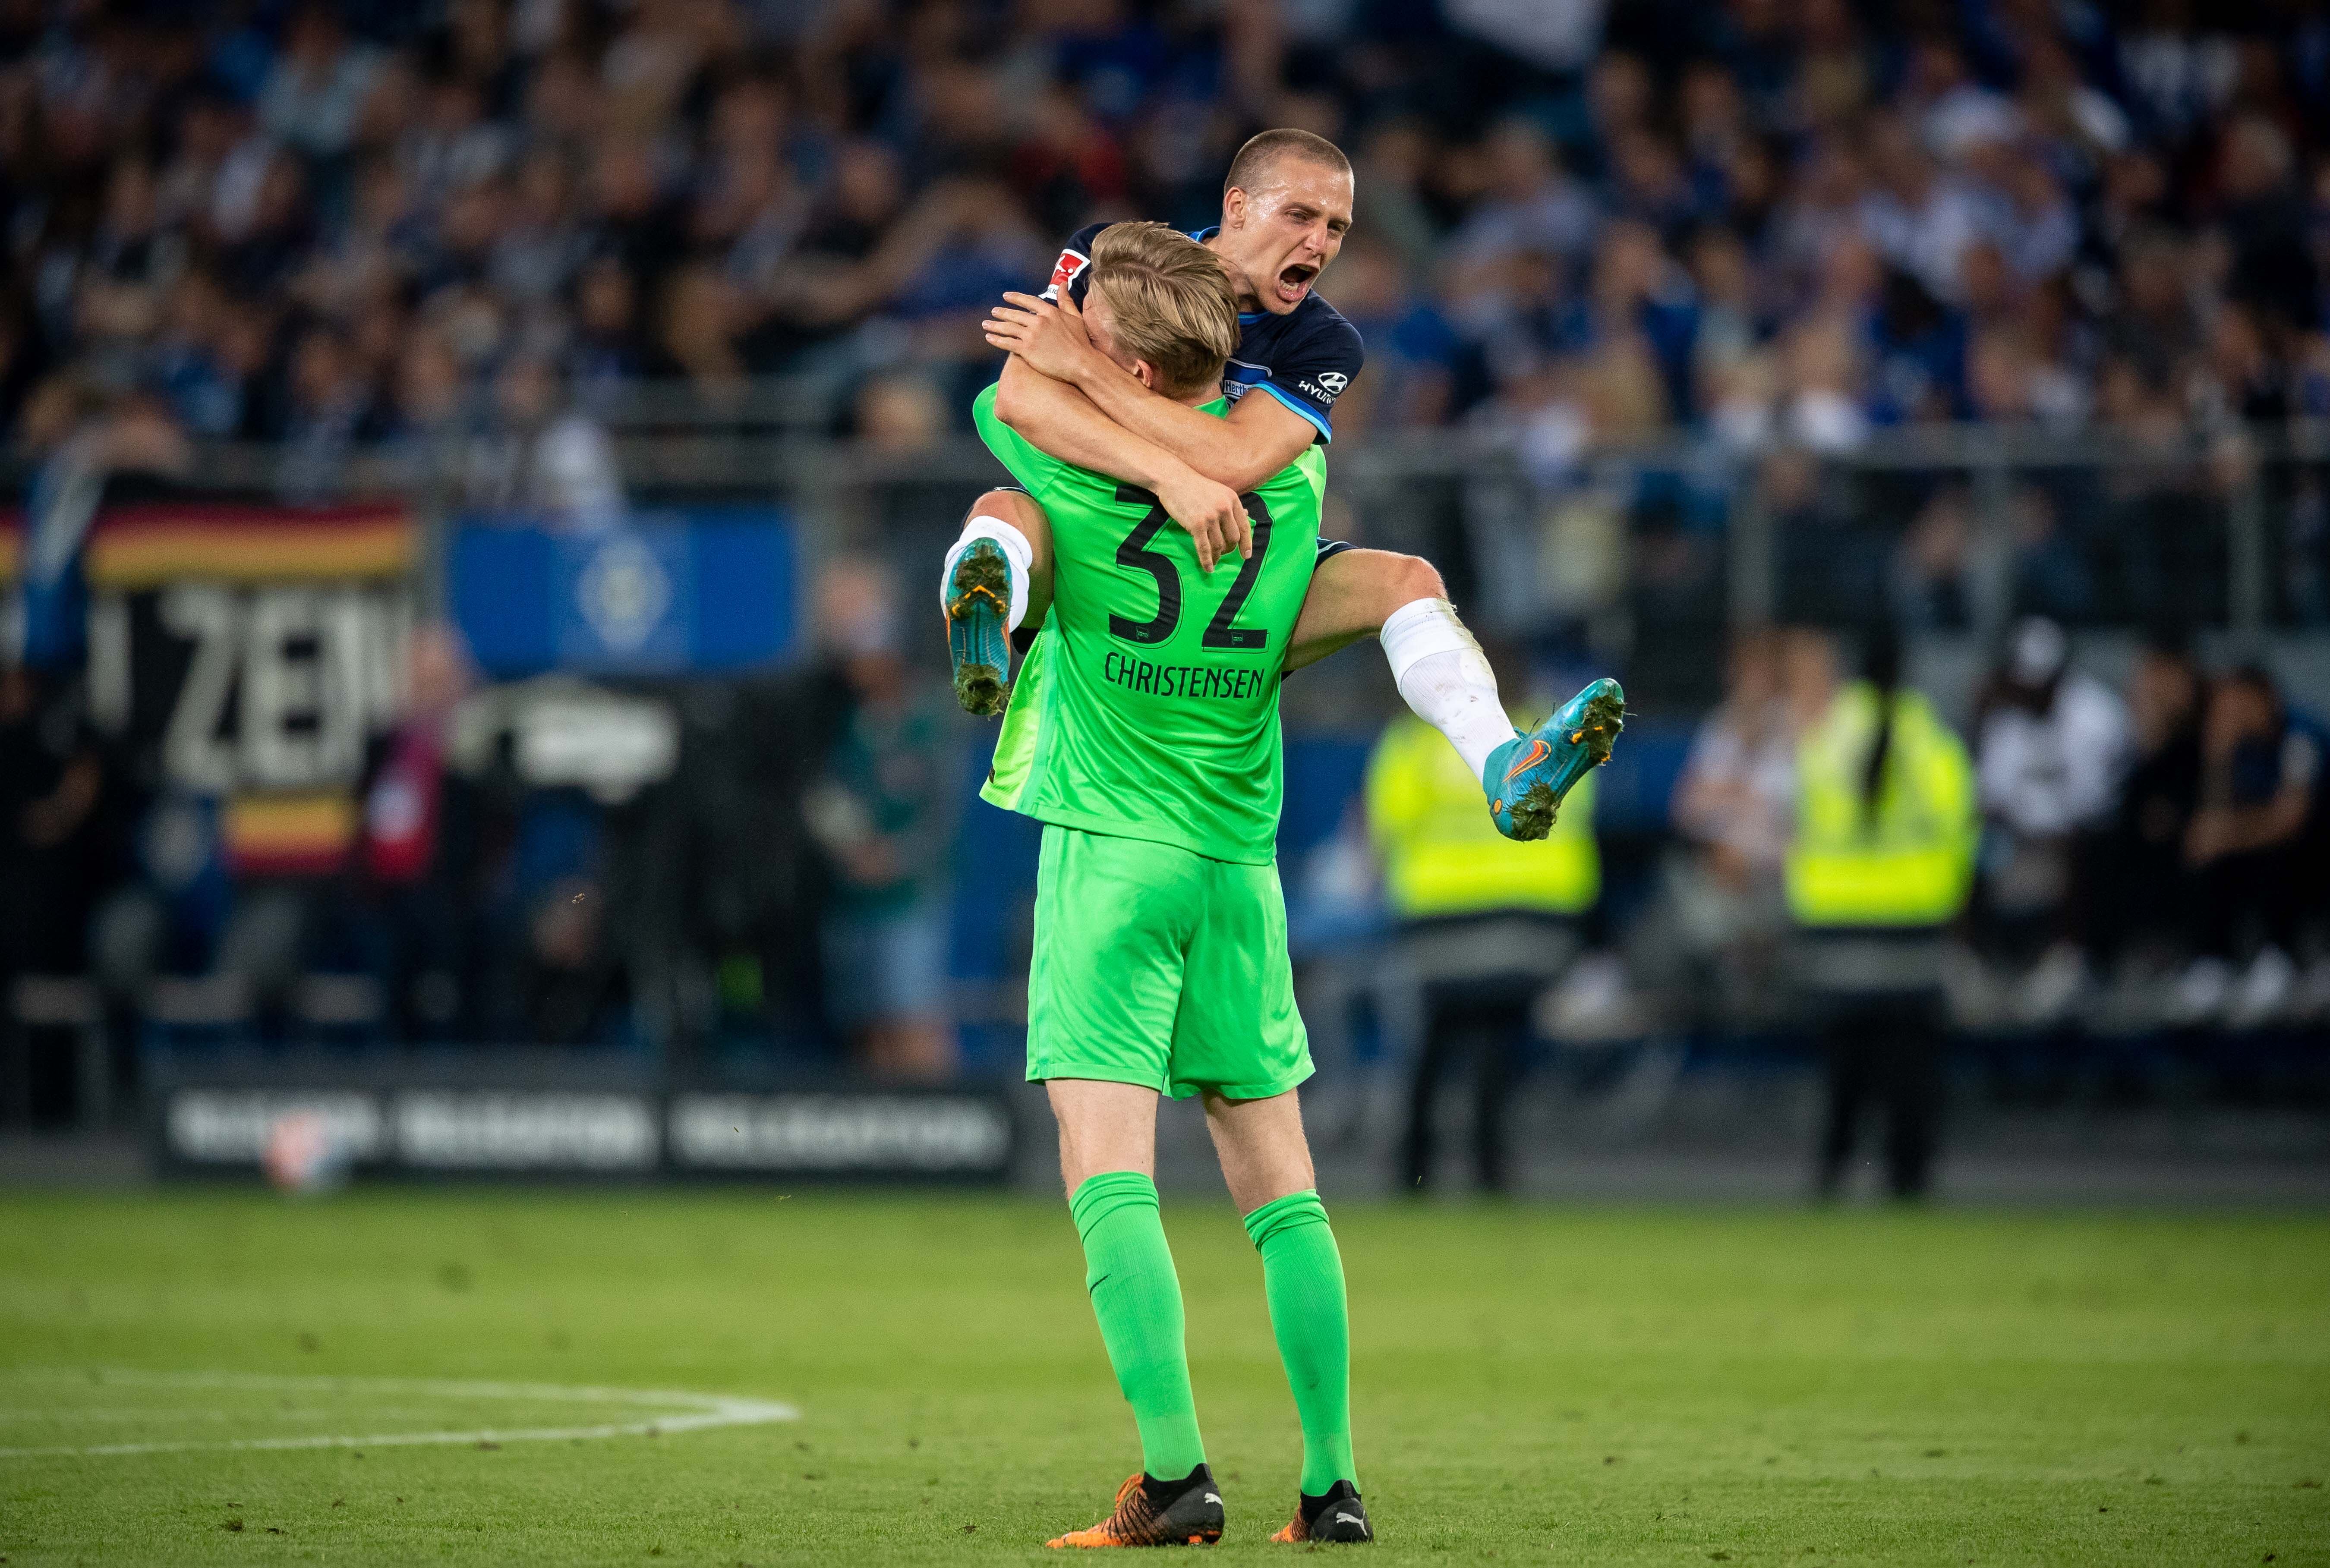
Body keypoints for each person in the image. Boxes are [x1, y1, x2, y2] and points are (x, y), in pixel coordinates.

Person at [949, 222, 1367, 1546]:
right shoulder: (1291, 490)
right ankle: (1330, 1484)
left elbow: (1003, 403)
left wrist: (1076, 373)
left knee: (1106, 1168)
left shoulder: (1066, 476)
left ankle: (1176, 1477)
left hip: (1106, 846)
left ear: (1124, 360)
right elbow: (1218, 447)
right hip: (1238, 868)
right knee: (1281, 1191)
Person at [974, 128, 1623, 843]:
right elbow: (1018, 397)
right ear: (1237, 206)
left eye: (1336, 228)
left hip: (1231, 578)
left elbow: (1234, 458)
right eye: (1300, 217)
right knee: (1013, 508)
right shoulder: (1116, 260)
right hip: (1118, 568)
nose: (1319, 244)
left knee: (1405, 580)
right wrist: (1168, 474)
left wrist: (1089, 373)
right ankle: (991, 626)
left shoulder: (1323, 340)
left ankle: (1503, 761)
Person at [1366, 648, 1600, 1194]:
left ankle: (1413, 1171)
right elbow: (1571, 818)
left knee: (1435, 1041)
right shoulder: (1547, 740)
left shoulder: (1414, 740)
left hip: (1437, 919)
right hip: (1521, 918)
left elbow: (1385, 829)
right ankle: (1490, 1170)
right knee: (1495, 1043)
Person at [1787, 626, 1977, 1201]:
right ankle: (1907, 1176)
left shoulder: (1825, 739)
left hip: (1837, 926)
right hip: (1913, 927)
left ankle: (1832, 1170)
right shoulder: (1931, 742)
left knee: (1845, 1064)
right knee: (1910, 1067)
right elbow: (1960, 828)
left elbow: (1803, 821)